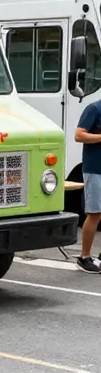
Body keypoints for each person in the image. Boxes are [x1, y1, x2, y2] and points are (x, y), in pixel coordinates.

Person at [75, 101, 101, 272]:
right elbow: (79, 135)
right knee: (95, 214)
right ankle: (84, 257)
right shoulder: (94, 109)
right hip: (95, 169)